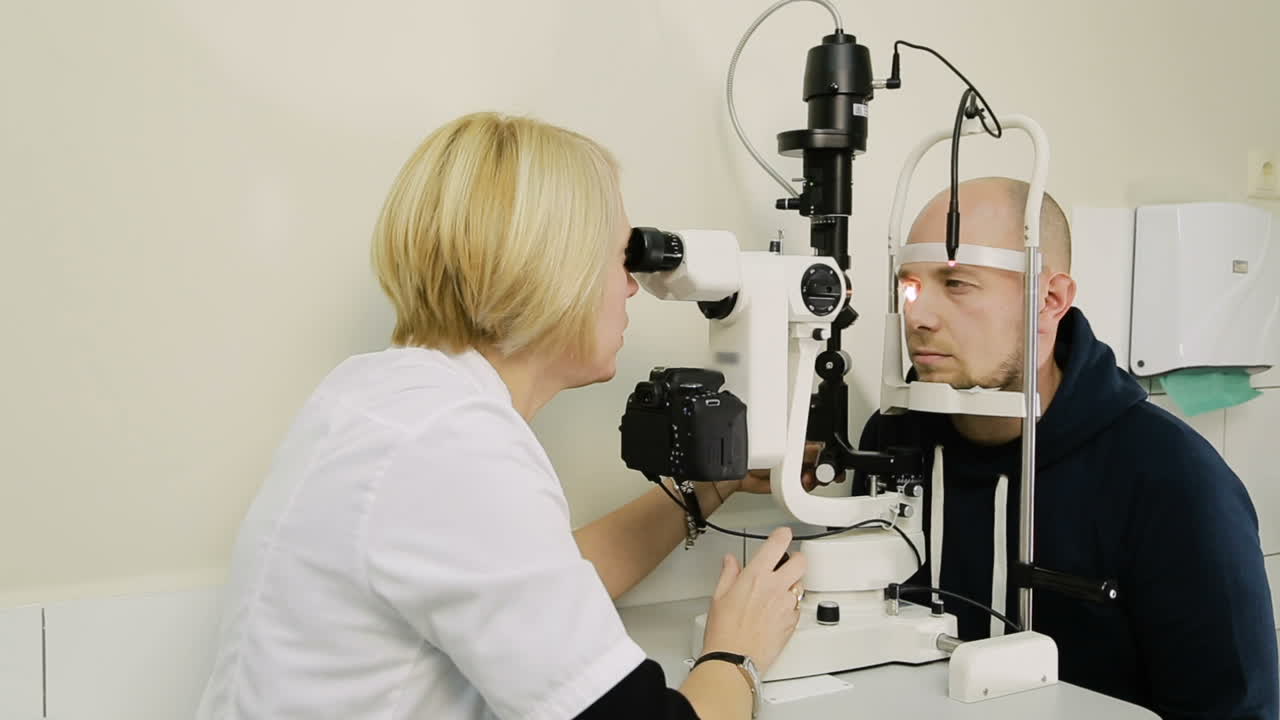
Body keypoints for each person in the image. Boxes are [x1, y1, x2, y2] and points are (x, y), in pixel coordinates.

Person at [195, 112, 807, 720]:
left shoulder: (381, 396)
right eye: (620, 259)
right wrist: (736, 653)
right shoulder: (454, 446)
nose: (631, 287)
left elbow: (538, 585)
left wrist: (713, 483)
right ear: (553, 266)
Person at [853, 176, 1278, 718]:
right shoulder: (890, 440)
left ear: (1049, 300)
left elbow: (1234, 707)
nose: (919, 316)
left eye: (957, 284)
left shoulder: (1172, 480)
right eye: (910, 286)